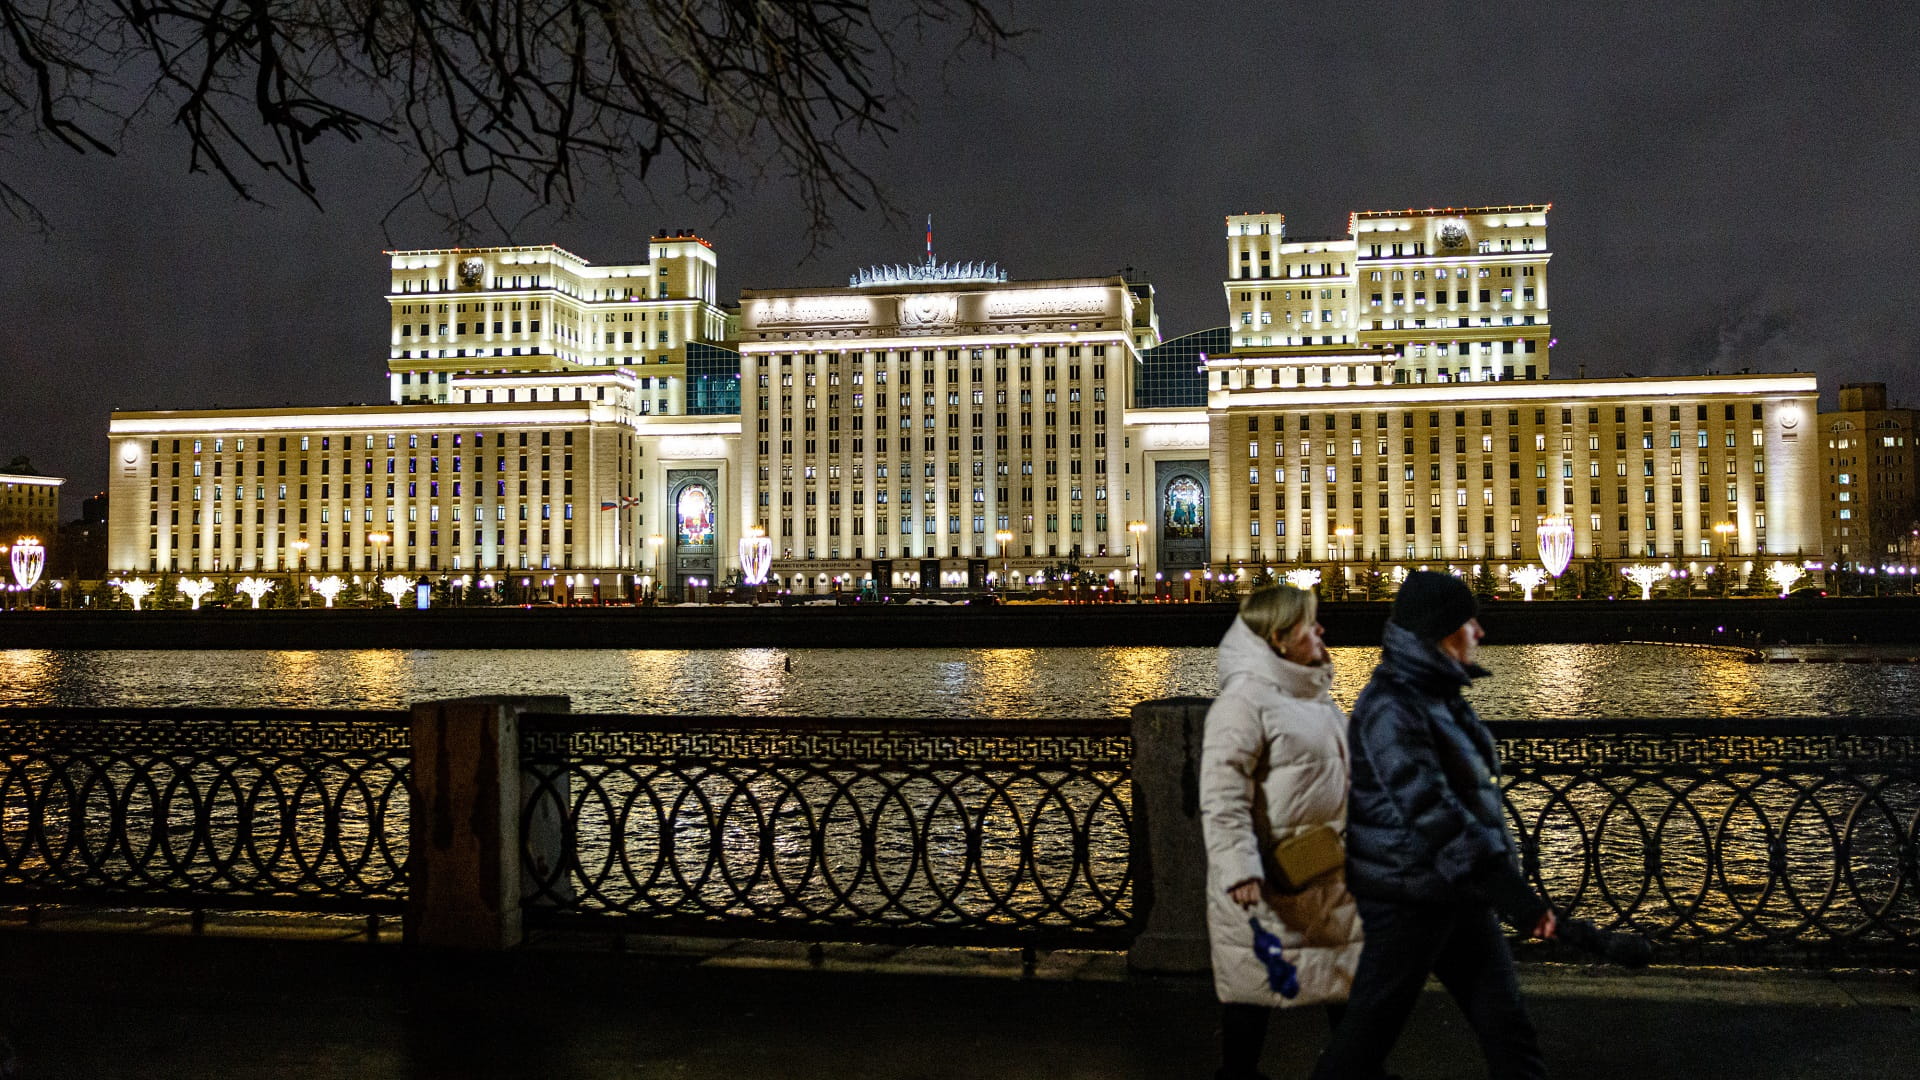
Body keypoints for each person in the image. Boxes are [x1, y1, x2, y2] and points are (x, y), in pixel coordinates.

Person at [1310, 570, 1557, 1080]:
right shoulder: (1392, 706)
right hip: (1409, 898)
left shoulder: (1436, 693)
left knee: (1509, 1031)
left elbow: (1465, 799)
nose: (1480, 633)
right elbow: (1430, 809)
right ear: (1442, 632)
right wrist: (1507, 886)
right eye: (1470, 622)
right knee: (1361, 1044)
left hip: (1458, 894)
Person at [1201, 585, 1364, 1080]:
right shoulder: (1244, 702)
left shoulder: (1311, 693)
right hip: (1274, 877)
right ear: (1279, 638)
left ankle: (1357, 1070)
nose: (1321, 631)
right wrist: (1240, 869)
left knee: (1344, 981)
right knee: (1255, 991)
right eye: (1309, 624)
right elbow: (1222, 796)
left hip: (1326, 871)